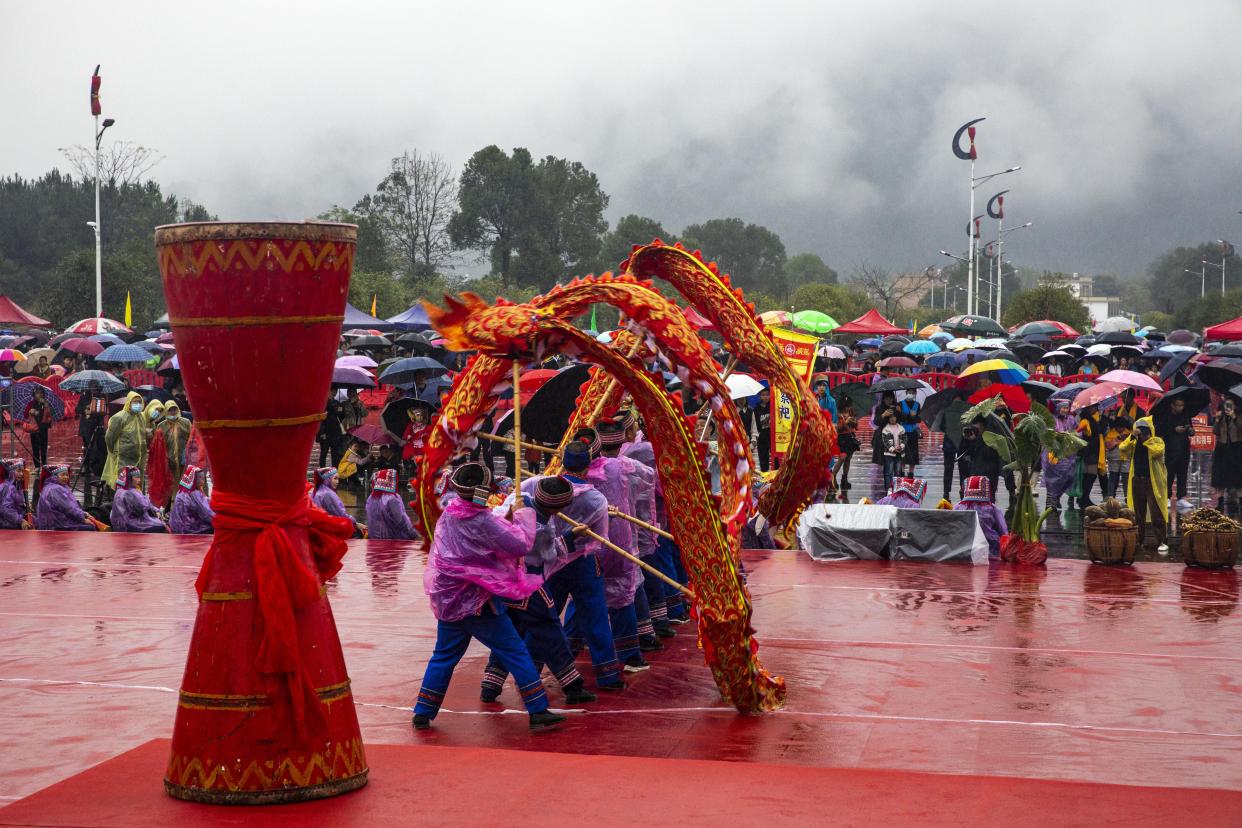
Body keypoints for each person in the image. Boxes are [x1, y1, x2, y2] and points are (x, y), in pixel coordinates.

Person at [411, 462, 565, 732]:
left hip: (449, 600)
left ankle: (423, 711)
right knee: (514, 650)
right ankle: (538, 709)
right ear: (483, 491)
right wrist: (522, 516)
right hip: (477, 602)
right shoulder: (483, 520)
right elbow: (520, 544)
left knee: (443, 655)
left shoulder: (449, 513)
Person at [480, 475, 598, 706]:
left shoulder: (520, 499)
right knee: (550, 631)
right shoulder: (540, 527)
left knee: (510, 631)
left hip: (504, 580)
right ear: (558, 507)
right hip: (527, 582)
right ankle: (572, 687)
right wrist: (571, 536)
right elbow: (550, 555)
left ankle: (490, 685)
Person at [544, 436, 625, 691]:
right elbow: (601, 537)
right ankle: (608, 677)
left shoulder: (543, 487)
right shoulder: (596, 500)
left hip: (553, 561)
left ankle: (529, 674)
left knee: (543, 618)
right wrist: (607, 516)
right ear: (588, 466)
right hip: (584, 562)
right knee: (596, 617)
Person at [587, 421, 658, 672]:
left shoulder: (582, 472)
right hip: (621, 538)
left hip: (587, 543)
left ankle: (573, 649)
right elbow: (650, 480)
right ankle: (630, 654)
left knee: (588, 595)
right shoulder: (627, 466)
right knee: (625, 591)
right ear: (622, 441)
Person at [1119, 417, 1169, 554]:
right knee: (1137, 513)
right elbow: (1122, 448)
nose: (1141, 433)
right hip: (1137, 481)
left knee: (1156, 512)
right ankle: (1138, 540)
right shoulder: (1133, 443)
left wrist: (1146, 440)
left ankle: (1161, 540)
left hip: (1152, 482)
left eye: (1143, 430)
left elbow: (1157, 452)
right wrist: (1132, 436)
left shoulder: (1157, 441)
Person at [148, 401, 191, 510]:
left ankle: (182, 506)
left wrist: (187, 455)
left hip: (183, 460)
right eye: (170, 410)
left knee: (184, 484)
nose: (172, 412)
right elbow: (157, 445)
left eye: (174, 409)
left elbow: (191, 440)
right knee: (169, 485)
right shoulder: (161, 425)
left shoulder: (186, 422)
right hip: (168, 461)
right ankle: (169, 508)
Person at [1154, 395, 1193, 513]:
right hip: (1170, 448)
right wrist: (1173, 429)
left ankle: (1181, 497)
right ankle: (1166, 496)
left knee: (1182, 474)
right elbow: (1159, 430)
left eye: (1182, 405)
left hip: (1184, 448)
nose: (1180, 408)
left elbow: (1190, 429)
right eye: (1178, 405)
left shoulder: (1186, 415)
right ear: (1172, 405)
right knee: (1169, 474)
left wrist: (1191, 430)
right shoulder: (1165, 415)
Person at [103, 391, 149, 490]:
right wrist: (115, 451)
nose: (137, 404)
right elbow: (109, 438)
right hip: (123, 459)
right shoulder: (119, 417)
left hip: (139, 459)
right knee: (124, 485)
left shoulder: (141, 417)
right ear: (129, 402)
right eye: (135, 402)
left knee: (137, 485)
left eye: (139, 402)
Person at [954, 475, 1007, 558]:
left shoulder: (958, 507)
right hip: (990, 549)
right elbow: (1003, 531)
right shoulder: (993, 508)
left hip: (963, 549)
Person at [35, 465, 100, 531]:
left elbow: (69, 508)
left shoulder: (49, 486)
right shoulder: (56, 489)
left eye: (67, 475)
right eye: (63, 475)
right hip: (57, 524)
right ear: (55, 476)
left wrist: (84, 513)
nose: (66, 477)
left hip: (53, 522)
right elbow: (69, 509)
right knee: (91, 527)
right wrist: (83, 519)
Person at [1042, 400, 1078, 511]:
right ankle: (1050, 503)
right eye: (1063, 408)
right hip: (1053, 453)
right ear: (1058, 408)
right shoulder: (1051, 419)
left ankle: (1056, 498)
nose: (1065, 410)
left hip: (1067, 454)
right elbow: (1047, 434)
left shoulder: (1071, 419)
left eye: (1067, 408)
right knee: (1052, 478)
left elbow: (1076, 432)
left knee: (1069, 477)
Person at [110, 466, 167, 533]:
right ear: (129, 479)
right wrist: (147, 498)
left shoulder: (120, 490)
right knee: (161, 525)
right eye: (136, 477)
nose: (139, 480)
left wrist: (155, 510)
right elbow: (141, 509)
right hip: (128, 524)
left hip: (121, 522)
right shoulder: (129, 493)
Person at [312, 467, 366, 537]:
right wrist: (356, 523)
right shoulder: (328, 494)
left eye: (338, 479)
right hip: (328, 530)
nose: (337, 482)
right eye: (335, 478)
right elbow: (340, 514)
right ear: (327, 480)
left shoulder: (318, 491)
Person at [365, 468, 417, 540]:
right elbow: (401, 521)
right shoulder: (392, 498)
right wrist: (414, 534)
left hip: (373, 540)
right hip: (392, 540)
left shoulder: (371, 497)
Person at [1212, 397, 1242, 515]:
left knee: (1238, 477)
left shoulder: (1239, 415)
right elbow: (1215, 431)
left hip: (1237, 448)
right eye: (1226, 406)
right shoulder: (1222, 416)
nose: (1228, 408)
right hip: (1222, 448)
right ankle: (1220, 503)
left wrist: (1234, 417)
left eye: (1230, 405)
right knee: (1220, 477)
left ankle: (1240, 502)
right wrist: (1218, 420)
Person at [1075, 404, 1107, 508]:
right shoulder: (1085, 419)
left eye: (1095, 407)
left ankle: (1083, 498)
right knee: (1091, 475)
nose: (1094, 409)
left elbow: (1102, 430)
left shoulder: (1099, 418)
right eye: (1092, 407)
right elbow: (1083, 431)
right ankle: (1084, 498)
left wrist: (1103, 419)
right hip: (1089, 450)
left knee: (1090, 475)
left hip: (1097, 449)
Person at [76, 384, 108, 480]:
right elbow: (77, 409)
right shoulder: (84, 396)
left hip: (96, 425)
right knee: (86, 446)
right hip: (86, 426)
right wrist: (85, 408)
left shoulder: (101, 397)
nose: (93, 389)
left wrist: (94, 410)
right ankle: (86, 466)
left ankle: (95, 466)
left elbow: (104, 412)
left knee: (97, 447)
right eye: (91, 387)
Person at [169, 465, 214, 535]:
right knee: (212, 526)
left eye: (203, 478)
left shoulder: (181, 491)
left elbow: (204, 500)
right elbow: (207, 514)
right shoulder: (195, 493)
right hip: (189, 528)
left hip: (175, 526)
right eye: (200, 478)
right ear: (194, 479)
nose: (203, 481)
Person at [834, 399, 860, 497]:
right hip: (842, 438)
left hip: (850, 437)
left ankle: (844, 479)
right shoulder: (837, 414)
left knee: (848, 459)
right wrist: (845, 421)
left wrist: (854, 422)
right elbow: (837, 428)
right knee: (842, 458)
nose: (848, 409)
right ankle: (832, 478)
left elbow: (856, 427)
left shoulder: (851, 412)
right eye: (847, 407)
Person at [401, 402, 432, 482]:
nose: (420, 417)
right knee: (414, 467)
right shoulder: (411, 426)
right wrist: (408, 436)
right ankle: (413, 482)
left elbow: (432, 436)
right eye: (418, 415)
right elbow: (406, 436)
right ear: (414, 416)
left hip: (424, 448)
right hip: (414, 449)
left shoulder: (427, 426)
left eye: (421, 415)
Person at [24, 386, 54, 468]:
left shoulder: (46, 403)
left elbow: (51, 416)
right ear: (34, 394)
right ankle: (37, 466)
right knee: (35, 450)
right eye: (37, 393)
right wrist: (30, 411)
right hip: (34, 430)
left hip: (44, 429)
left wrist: (46, 406)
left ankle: (44, 466)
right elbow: (25, 415)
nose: (39, 395)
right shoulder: (31, 404)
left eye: (41, 393)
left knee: (44, 449)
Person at [1104, 416, 1132, 502]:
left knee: (1126, 478)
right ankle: (1111, 496)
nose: (1121, 429)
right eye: (1119, 427)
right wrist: (1117, 439)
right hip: (1114, 458)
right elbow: (1108, 446)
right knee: (1113, 478)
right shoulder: (1110, 433)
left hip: (1126, 458)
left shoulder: (1129, 433)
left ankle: (1127, 497)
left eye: (1123, 427)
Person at [746, 388, 773, 472]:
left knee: (775, 457)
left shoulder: (773, 406)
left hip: (772, 435)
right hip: (762, 435)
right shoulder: (756, 409)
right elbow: (755, 424)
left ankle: (775, 474)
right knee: (763, 457)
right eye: (763, 395)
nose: (765, 397)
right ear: (760, 396)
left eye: (767, 394)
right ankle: (764, 475)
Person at [879, 409, 906, 494]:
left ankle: (896, 489)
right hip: (889, 454)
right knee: (889, 472)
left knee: (898, 472)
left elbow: (905, 439)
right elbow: (885, 441)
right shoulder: (886, 429)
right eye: (890, 417)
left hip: (899, 453)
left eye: (894, 417)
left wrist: (901, 447)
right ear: (888, 419)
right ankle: (888, 489)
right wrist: (893, 449)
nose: (892, 419)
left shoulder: (901, 428)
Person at [316, 396, 346, 469]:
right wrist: (322, 432)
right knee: (324, 452)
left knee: (334, 453)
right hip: (325, 432)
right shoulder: (323, 402)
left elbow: (341, 415)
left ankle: (334, 468)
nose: (333, 392)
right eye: (332, 390)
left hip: (334, 432)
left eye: (335, 390)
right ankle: (322, 469)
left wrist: (340, 409)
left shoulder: (337, 403)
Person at [0, 459, 30, 530]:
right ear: (11, 472)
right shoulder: (8, 488)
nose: (21, 474)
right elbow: (6, 509)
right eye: (18, 471)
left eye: (22, 471)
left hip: (13, 523)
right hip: (8, 526)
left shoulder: (16, 487)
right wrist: (20, 520)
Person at [898, 388, 922, 477]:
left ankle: (911, 472)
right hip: (903, 432)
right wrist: (910, 417)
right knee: (902, 453)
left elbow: (919, 419)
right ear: (906, 392)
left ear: (915, 393)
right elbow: (900, 418)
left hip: (913, 432)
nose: (911, 394)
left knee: (913, 453)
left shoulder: (917, 405)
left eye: (913, 392)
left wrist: (912, 417)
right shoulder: (900, 404)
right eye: (909, 392)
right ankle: (902, 471)